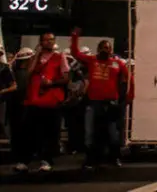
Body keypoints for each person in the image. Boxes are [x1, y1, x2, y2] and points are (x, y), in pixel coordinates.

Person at [71, 28, 129, 169]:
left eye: (108, 48)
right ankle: (91, 160)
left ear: (111, 50)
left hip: (110, 102)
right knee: (90, 133)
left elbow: (125, 80)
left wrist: (123, 98)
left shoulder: (118, 64)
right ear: (98, 49)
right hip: (94, 102)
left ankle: (114, 158)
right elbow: (75, 53)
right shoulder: (91, 60)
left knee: (112, 133)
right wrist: (74, 37)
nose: (105, 50)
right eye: (103, 48)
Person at [21, 32, 70, 172]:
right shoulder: (35, 58)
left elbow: (66, 78)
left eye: (51, 40)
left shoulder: (60, 57)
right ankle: (25, 160)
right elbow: (28, 73)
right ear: (41, 42)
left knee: (50, 133)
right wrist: (36, 55)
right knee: (29, 131)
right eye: (46, 40)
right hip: (34, 101)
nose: (49, 42)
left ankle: (46, 159)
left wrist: (51, 83)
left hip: (51, 101)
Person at [7, 48, 32, 172]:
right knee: (23, 134)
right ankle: (23, 159)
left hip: (15, 108)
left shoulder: (14, 73)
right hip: (23, 108)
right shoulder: (26, 74)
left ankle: (20, 158)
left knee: (17, 134)